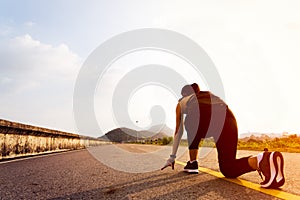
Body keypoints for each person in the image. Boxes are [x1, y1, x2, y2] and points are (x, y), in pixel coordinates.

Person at [161, 83, 285, 188]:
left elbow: (179, 131)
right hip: (227, 116)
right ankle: (262, 160)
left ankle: (193, 162)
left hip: (201, 115)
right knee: (228, 168)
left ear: (184, 94)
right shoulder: (208, 94)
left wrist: (172, 157)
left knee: (189, 122)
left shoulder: (182, 101)